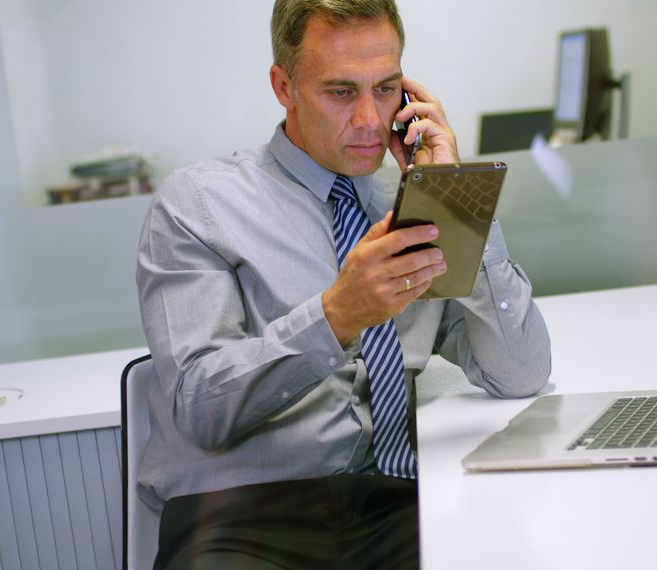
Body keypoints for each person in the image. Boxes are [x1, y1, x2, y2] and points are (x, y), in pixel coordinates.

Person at [135, 1, 551, 567]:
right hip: (243, 516)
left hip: (399, 501)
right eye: (340, 92)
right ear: (284, 86)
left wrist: (457, 197)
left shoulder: (411, 202)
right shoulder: (200, 205)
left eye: (385, 89)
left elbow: (520, 372)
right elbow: (201, 407)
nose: (369, 119)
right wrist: (336, 317)